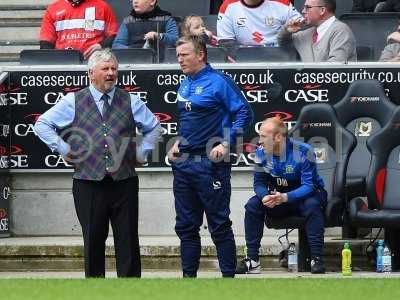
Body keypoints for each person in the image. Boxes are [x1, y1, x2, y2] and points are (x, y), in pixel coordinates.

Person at [34, 48, 162, 278]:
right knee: (92, 240)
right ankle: (95, 289)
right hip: (87, 182)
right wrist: (63, 148)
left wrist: (143, 153)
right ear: (91, 73)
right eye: (105, 69)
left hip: (124, 181)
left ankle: (131, 291)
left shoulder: (130, 100)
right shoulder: (72, 101)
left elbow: (154, 127)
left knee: (128, 239)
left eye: (114, 69)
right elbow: (42, 124)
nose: (111, 73)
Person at [168, 35, 253, 278]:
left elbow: (245, 114)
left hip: (211, 164)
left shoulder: (219, 82)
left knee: (218, 225)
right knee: (185, 226)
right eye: (178, 56)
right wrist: (178, 142)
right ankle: (189, 281)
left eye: (184, 55)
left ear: (201, 55)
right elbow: (188, 121)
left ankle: (227, 280)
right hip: (184, 164)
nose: (180, 60)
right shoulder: (184, 83)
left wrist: (226, 143)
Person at [236, 117, 327, 274]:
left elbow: (309, 185)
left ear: (278, 137)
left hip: (307, 195)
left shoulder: (304, 151)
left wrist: (286, 197)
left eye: (264, 136)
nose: (260, 141)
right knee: (253, 204)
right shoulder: (261, 153)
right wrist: (265, 196)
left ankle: (316, 259)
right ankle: (252, 260)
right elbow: (259, 184)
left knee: (312, 205)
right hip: (277, 197)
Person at [277, 0, 357, 62]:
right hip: (307, 81)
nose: (303, 11)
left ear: (322, 10)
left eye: (307, 7)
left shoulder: (341, 31)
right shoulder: (306, 34)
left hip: (331, 82)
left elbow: (335, 68)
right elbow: (283, 43)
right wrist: (286, 30)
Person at [39, 0, 119, 60]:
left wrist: (101, 45)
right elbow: (46, 44)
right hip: (63, 62)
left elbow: (115, 36)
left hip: (95, 62)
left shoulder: (102, 6)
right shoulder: (53, 9)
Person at [217, 0, 302, 47]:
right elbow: (225, 42)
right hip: (242, 60)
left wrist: (287, 30)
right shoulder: (228, 5)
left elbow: (303, 26)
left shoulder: (282, 3)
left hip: (279, 57)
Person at [112, 0, 178, 51]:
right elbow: (117, 45)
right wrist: (135, 51)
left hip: (161, 64)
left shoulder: (166, 19)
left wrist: (159, 36)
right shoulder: (127, 21)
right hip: (134, 62)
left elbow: (176, 40)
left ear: (152, 1)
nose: (135, 1)